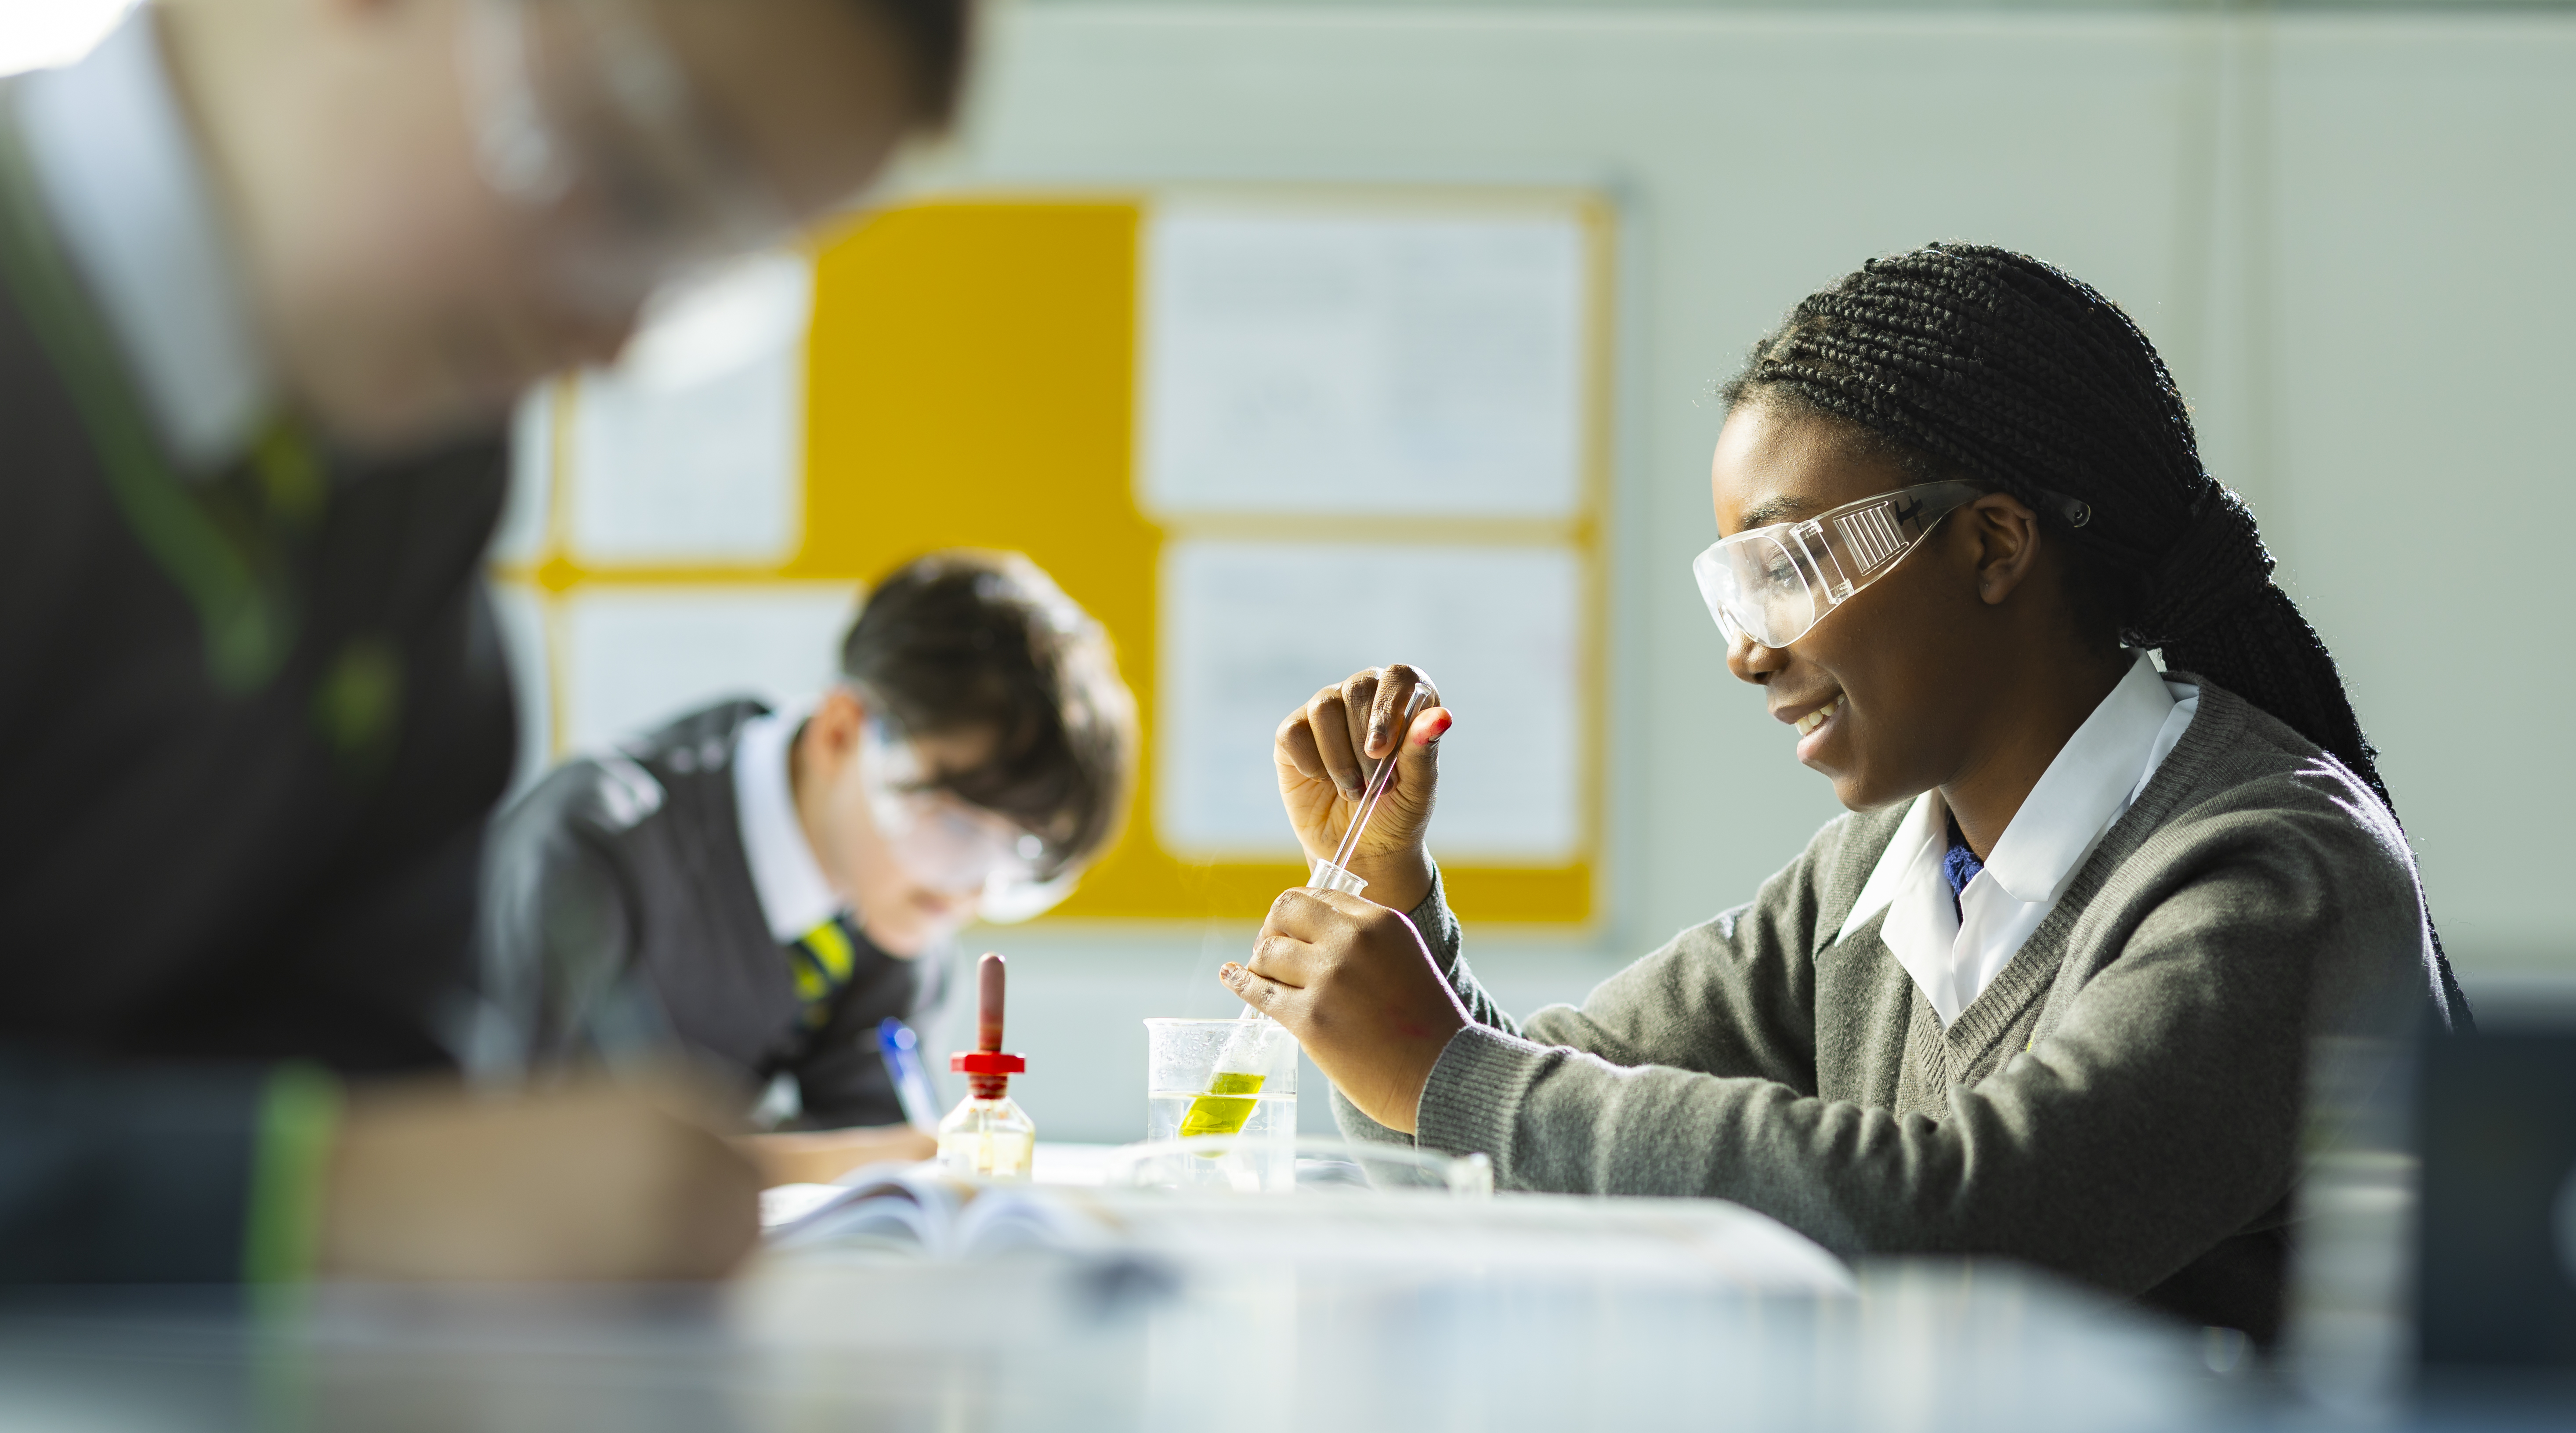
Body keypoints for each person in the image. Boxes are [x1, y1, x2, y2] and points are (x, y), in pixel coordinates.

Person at [1223, 243, 2461, 1344]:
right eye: (1734, 588)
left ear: (1991, 544)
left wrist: (1442, 1066)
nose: (1749, 650)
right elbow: (1484, 1132)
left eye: (1793, 565)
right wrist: (1397, 912)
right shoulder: (1875, 877)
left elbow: (1971, 1221)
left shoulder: (2270, 869)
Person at [0, 0, 968, 1284]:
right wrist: (328, 1192)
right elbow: (364, 1158)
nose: (615, 344)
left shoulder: (410, 463)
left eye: (704, 275)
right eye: (632, 186)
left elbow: (370, 1021)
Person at [477, 550, 1135, 1186]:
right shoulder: (593, 846)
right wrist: (860, 1157)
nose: (972, 890)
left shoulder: (899, 901)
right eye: (958, 826)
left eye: (1018, 858)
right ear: (841, 733)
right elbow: (534, 1159)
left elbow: (876, 1156)